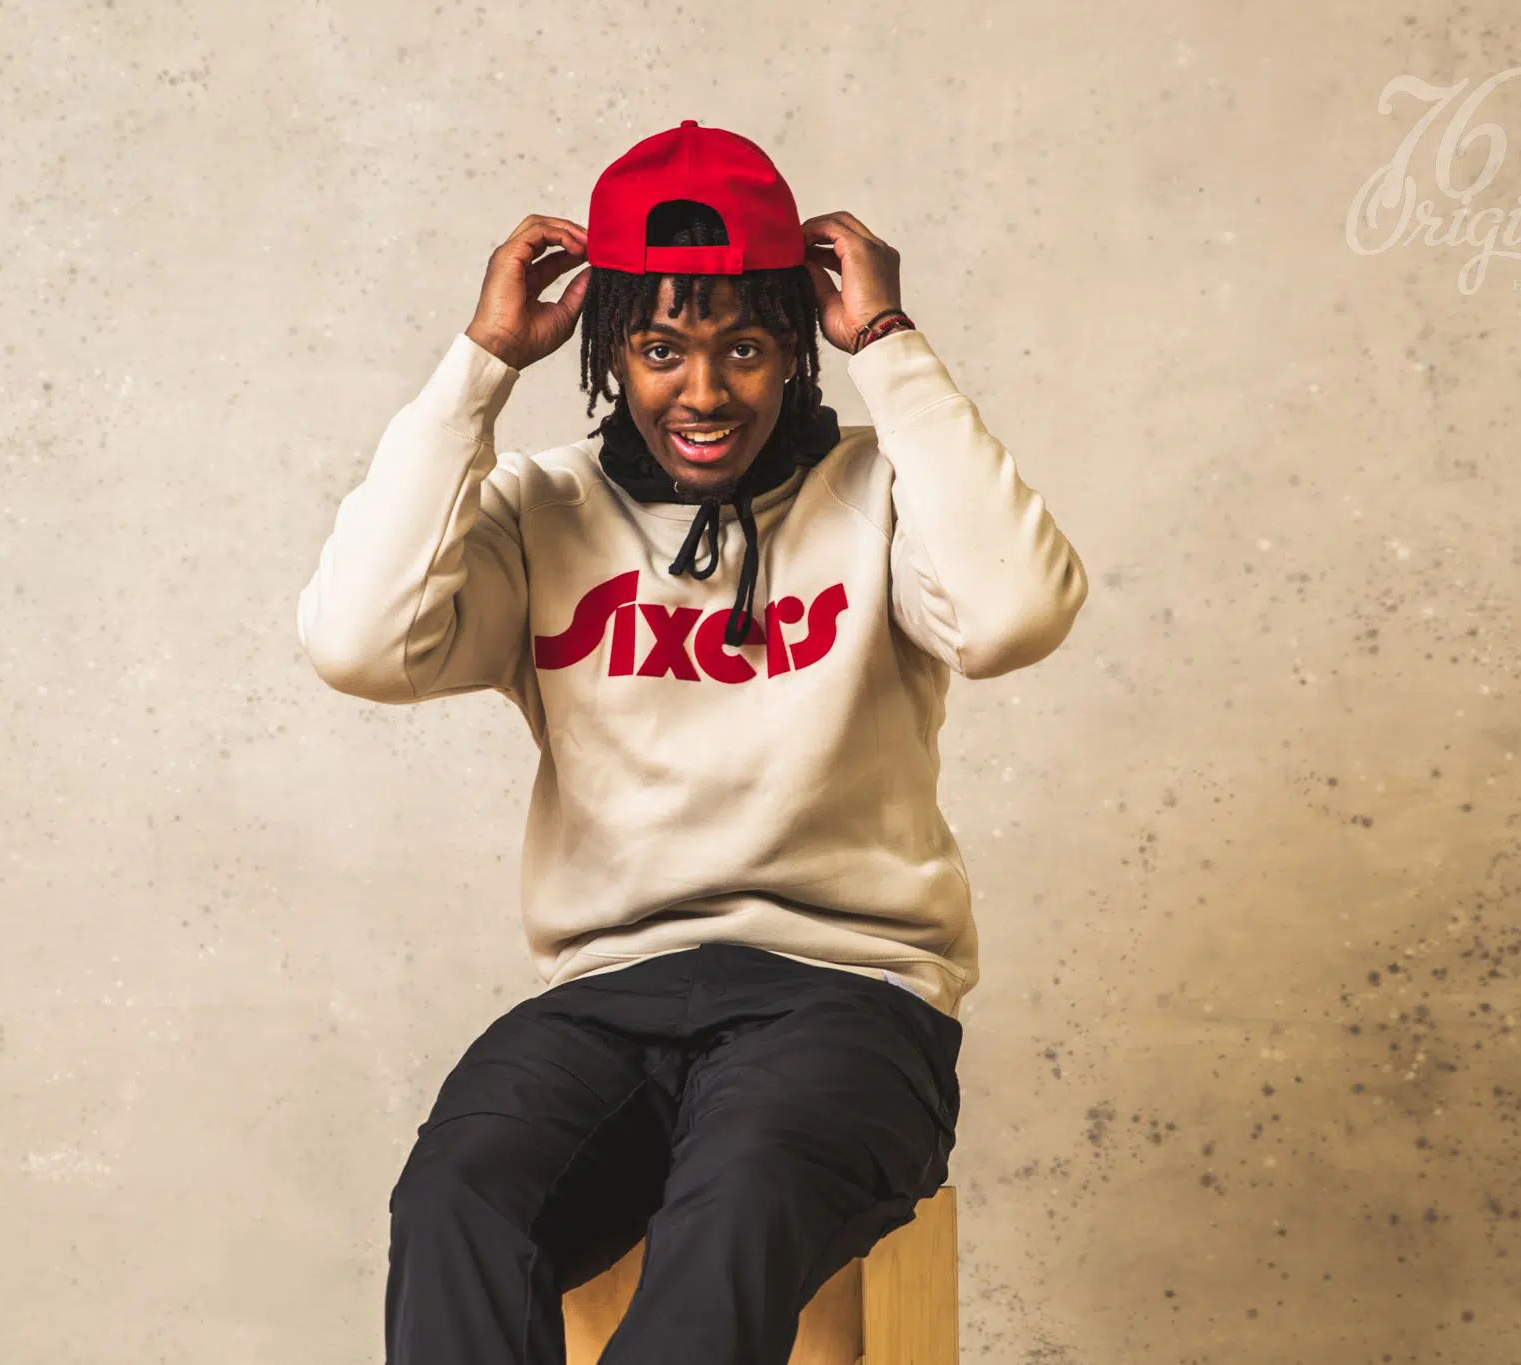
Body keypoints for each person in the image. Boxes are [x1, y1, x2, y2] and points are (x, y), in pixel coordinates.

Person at [296, 119, 1088, 1365]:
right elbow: (358, 643)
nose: (704, 392)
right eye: (660, 348)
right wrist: (479, 366)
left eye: (744, 348)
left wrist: (890, 344)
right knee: (459, 1197)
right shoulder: (538, 511)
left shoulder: (883, 493)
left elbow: (1012, 617)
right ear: (607, 347)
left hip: (848, 997)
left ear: (796, 350)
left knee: (736, 1211)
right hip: (606, 1000)